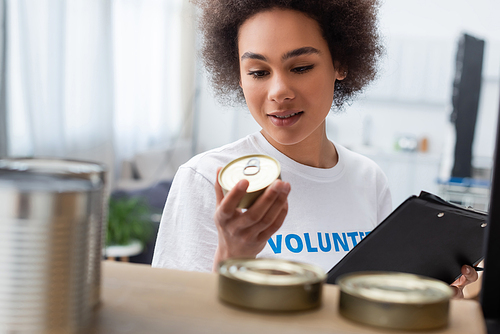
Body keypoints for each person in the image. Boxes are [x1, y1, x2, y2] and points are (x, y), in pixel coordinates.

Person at [152, 0, 477, 298]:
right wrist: (230, 261)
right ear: (238, 75)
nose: (279, 91)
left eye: (301, 67)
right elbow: (173, 317)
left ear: (340, 63)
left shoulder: (368, 178)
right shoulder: (207, 178)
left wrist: (429, 303)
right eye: (258, 72)